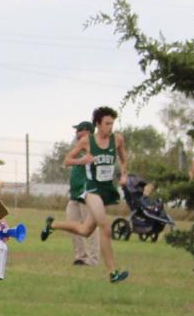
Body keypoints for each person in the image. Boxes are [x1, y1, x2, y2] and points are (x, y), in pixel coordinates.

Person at [41, 106, 130, 284]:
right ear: (97, 124)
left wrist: (124, 175)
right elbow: (66, 160)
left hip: (106, 191)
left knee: (85, 230)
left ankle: (53, 225)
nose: (110, 127)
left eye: (112, 123)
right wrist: (82, 160)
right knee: (105, 228)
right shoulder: (87, 142)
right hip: (91, 191)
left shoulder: (117, 140)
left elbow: (123, 159)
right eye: (106, 124)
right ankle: (113, 273)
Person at [64, 121, 103, 266]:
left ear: (88, 132)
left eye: (79, 130)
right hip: (75, 194)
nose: (77, 133)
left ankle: (93, 259)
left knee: (90, 226)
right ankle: (80, 256)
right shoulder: (79, 148)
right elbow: (67, 161)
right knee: (72, 224)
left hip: (88, 193)